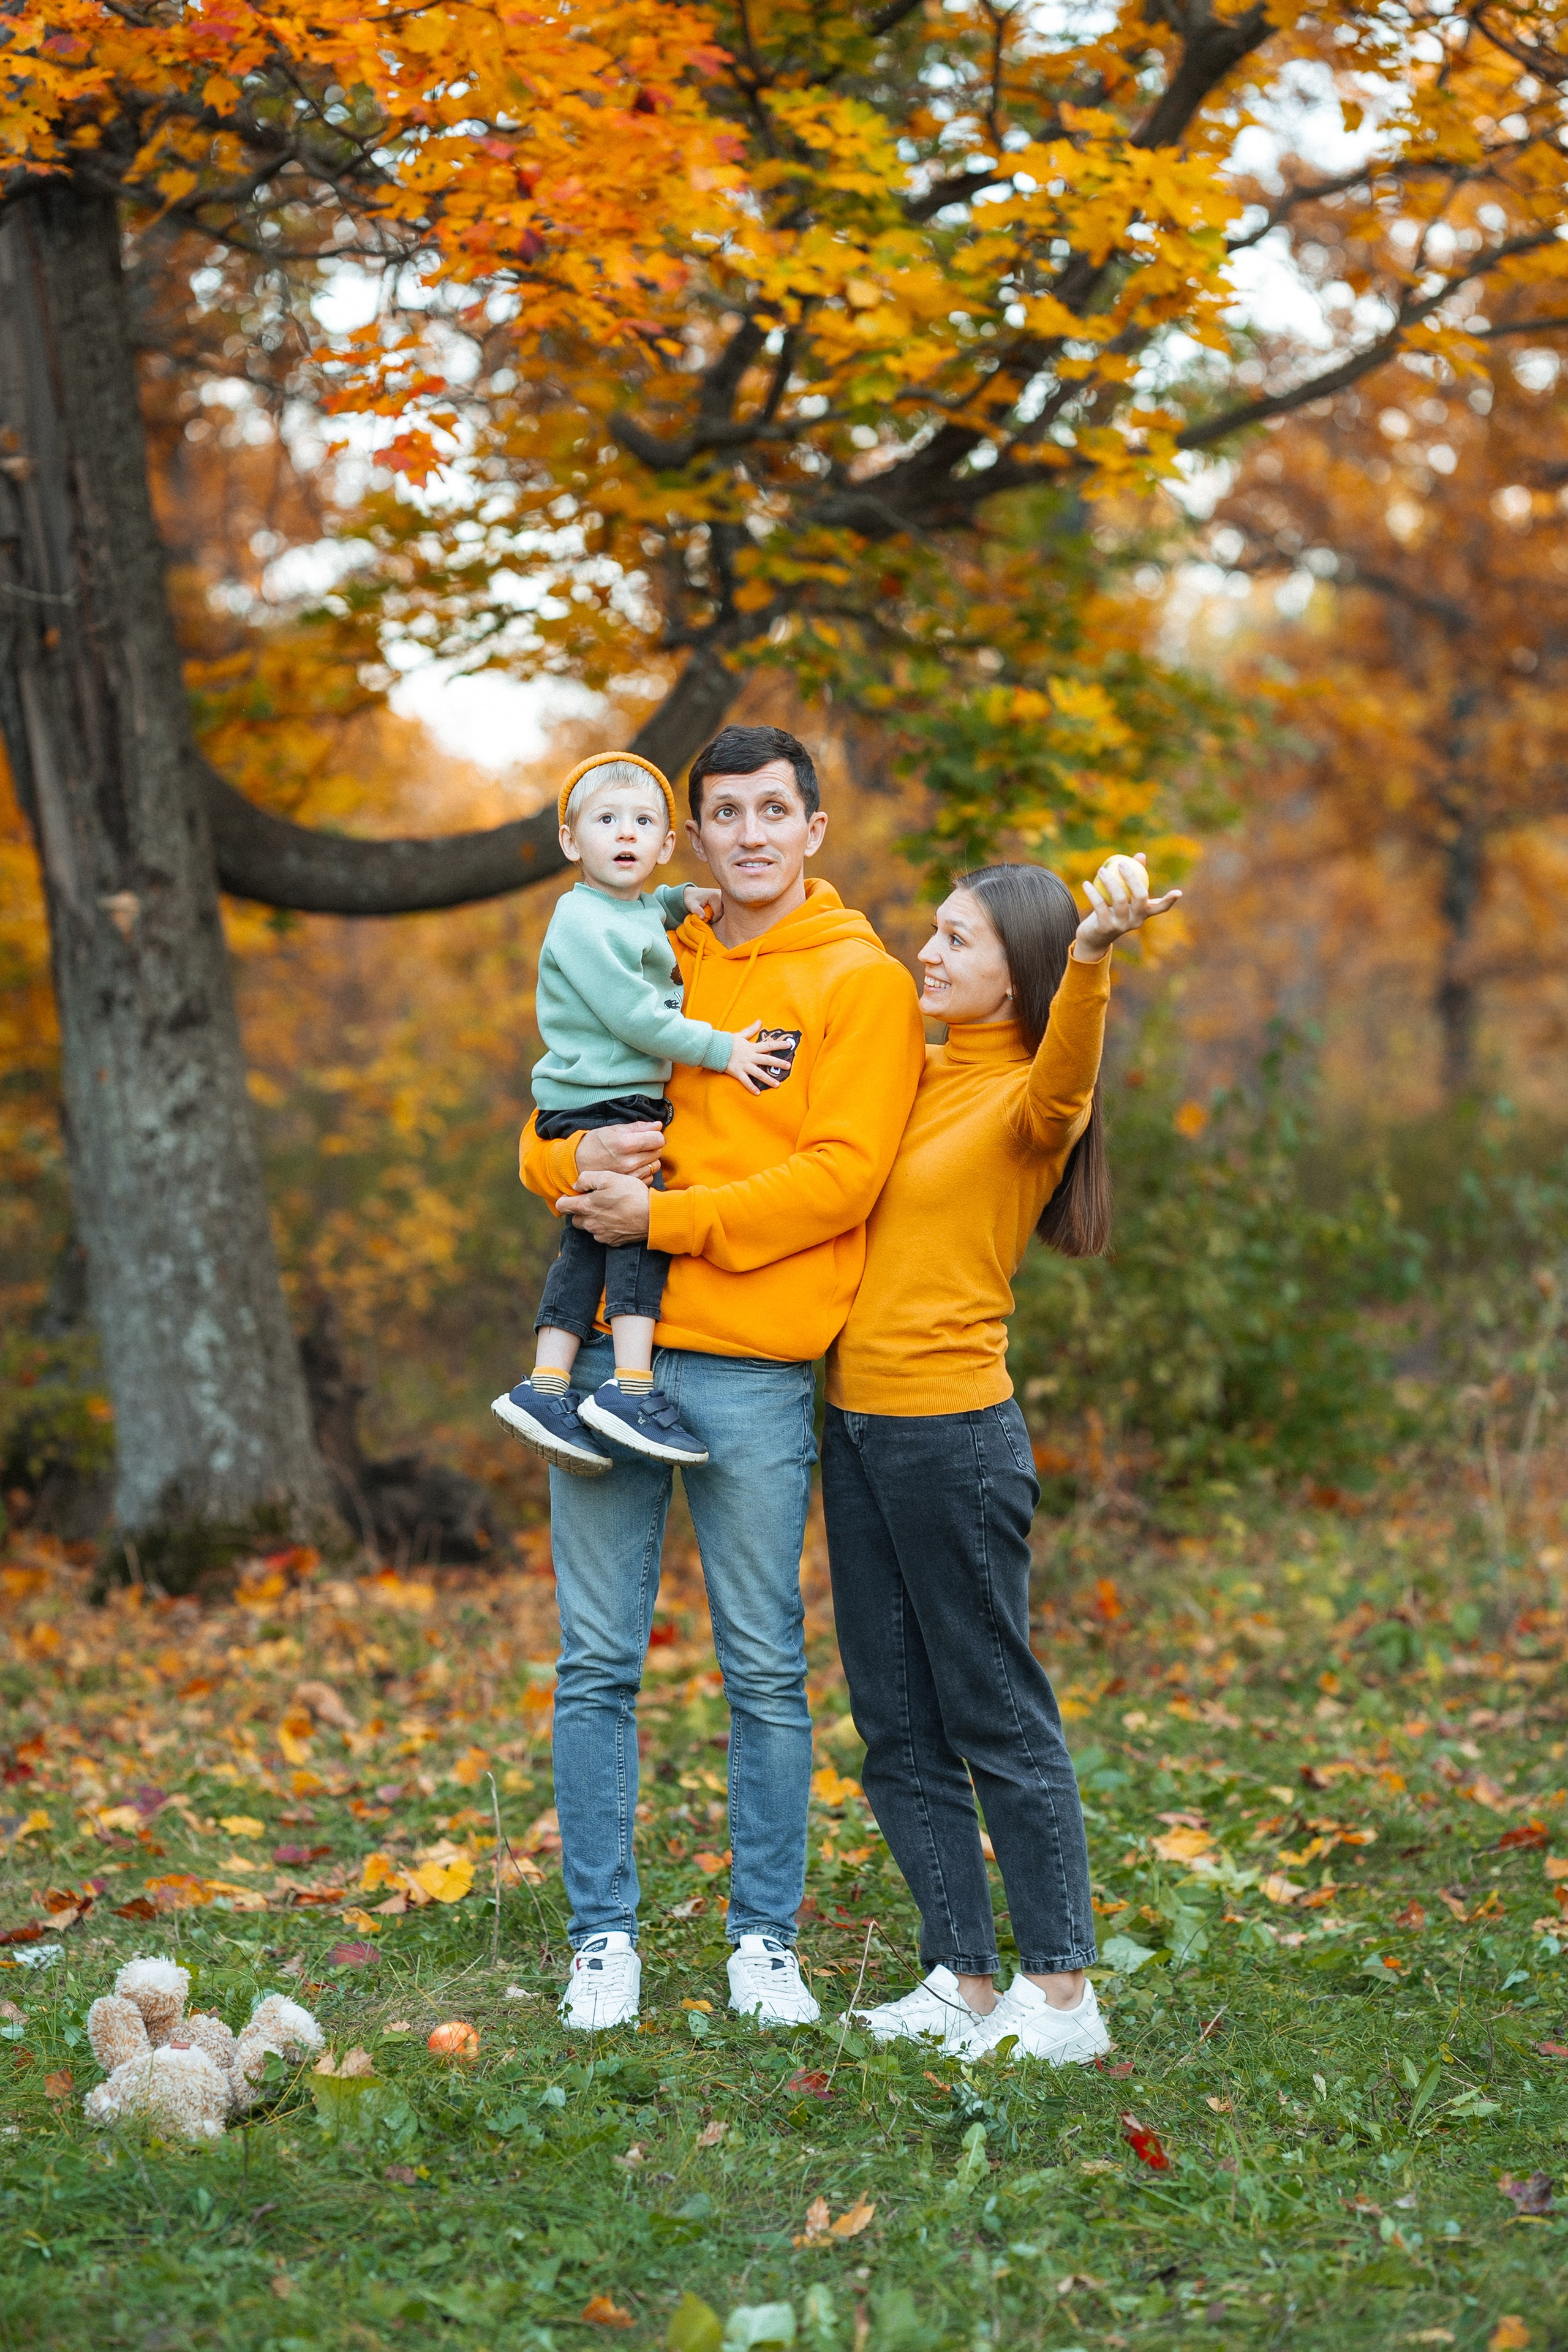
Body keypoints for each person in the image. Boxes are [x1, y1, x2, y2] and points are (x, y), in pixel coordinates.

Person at [517, 724, 927, 2032]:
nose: (748, 834)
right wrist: (577, 1180)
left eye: (773, 811)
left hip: (749, 1365)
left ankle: (764, 1940)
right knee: (594, 1662)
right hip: (606, 1355)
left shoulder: (857, 983)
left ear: (812, 829)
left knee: (760, 1663)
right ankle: (602, 1941)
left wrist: (664, 1221)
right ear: (695, 834)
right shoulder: (645, 935)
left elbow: (840, 1178)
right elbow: (547, 1130)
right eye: (726, 814)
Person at [823, 853, 1180, 2063]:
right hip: (855, 1428)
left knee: (993, 1713)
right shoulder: (913, 1076)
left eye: (957, 939)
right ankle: (961, 1980)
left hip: (950, 1440)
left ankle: (1064, 1995)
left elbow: (1070, 1067)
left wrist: (1090, 956)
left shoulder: (1030, 1099)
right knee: (894, 1719)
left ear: (1018, 971)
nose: (927, 950)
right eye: (930, 930)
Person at [491, 752, 786, 1474]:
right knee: (636, 1236)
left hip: (599, 1100)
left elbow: (639, 912)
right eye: (606, 820)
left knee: (587, 1245)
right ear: (571, 842)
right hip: (604, 1101)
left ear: (661, 846)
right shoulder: (579, 923)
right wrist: (721, 1051)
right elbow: (634, 1016)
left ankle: (547, 1384)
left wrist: (676, 898)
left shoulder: (618, 908)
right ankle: (629, 1386)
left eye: (642, 822)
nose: (625, 833)